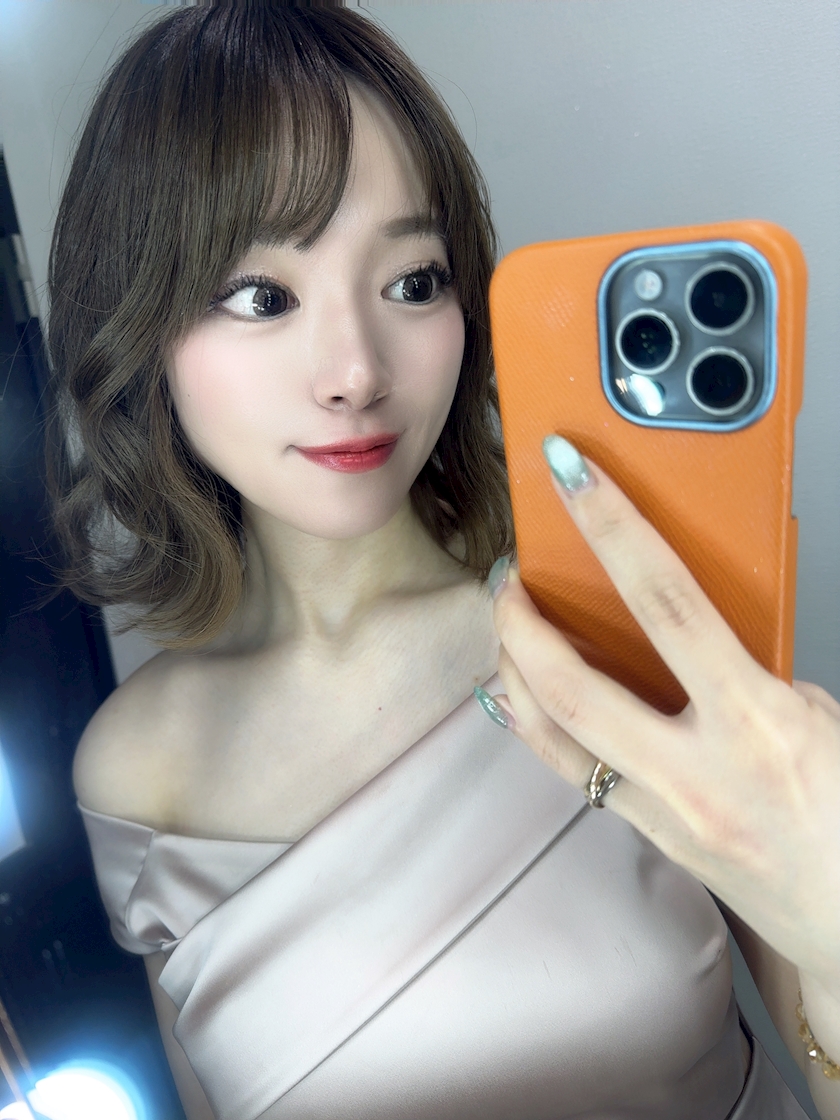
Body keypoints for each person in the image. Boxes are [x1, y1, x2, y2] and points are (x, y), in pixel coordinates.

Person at [45, 4, 838, 1119]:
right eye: (263, 297)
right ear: (136, 325)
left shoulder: (616, 639)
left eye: (414, 281)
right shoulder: (136, 771)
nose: (356, 371)